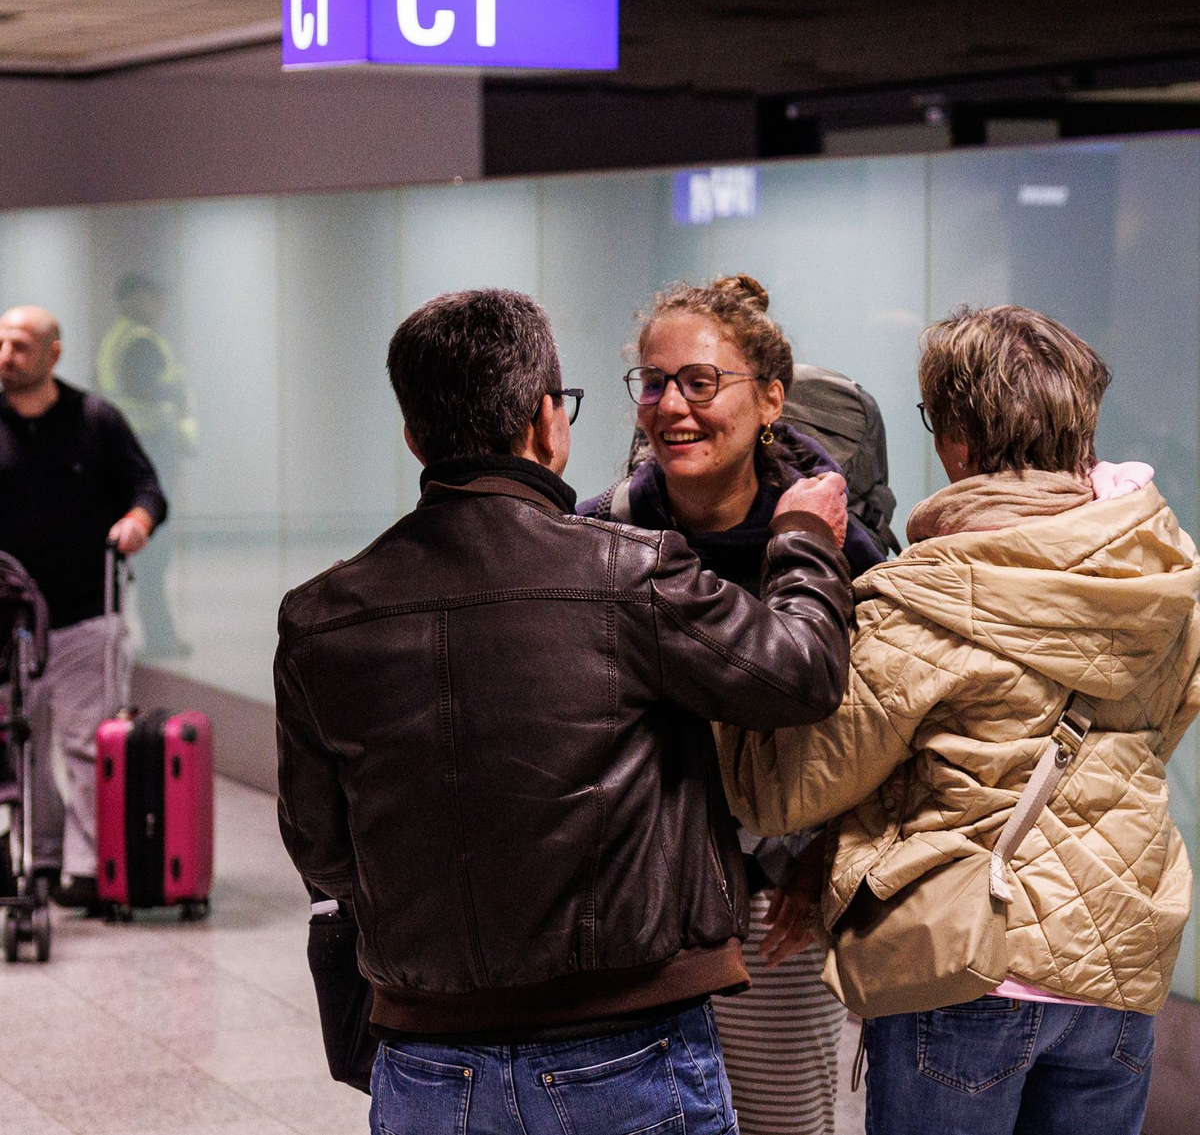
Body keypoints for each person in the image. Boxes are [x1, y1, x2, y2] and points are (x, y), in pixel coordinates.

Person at [274, 287, 855, 1135]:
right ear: (548, 422)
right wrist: (803, 542)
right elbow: (802, 673)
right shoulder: (630, 572)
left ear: (412, 437)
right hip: (628, 1043)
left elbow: (320, 850)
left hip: (425, 1056)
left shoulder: (321, 615)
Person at [715, 304, 1200, 1135]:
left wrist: (755, 607)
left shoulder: (929, 598)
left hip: (970, 964)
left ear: (960, 441)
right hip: (1121, 967)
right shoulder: (1164, 569)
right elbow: (1168, 717)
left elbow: (780, 790)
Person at [579, 274, 885, 1135]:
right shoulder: (598, 531)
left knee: (783, 1120)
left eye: (701, 382)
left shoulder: (838, 547)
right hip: (634, 905)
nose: (672, 405)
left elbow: (879, 724)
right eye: (653, 381)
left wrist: (826, 858)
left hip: (774, 905)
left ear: (771, 400)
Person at [0, 305, 168, 910]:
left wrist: (136, 520)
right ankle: (36, 855)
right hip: (5, 623)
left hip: (83, 613)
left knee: (85, 744)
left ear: (53, 353)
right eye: (0, 344)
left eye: (20, 345)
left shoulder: (94, 419)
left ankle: (89, 865)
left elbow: (146, 488)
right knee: (18, 741)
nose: (6, 356)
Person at [96, 274, 195, 658]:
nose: (159, 307)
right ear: (134, 299)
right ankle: (160, 638)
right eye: (153, 298)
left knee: (148, 552)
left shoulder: (115, 339)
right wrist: (176, 396)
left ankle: (156, 635)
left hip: (131, 449)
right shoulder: (139, 340)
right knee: (156, 551)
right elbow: (145, 389)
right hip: (149, 448)